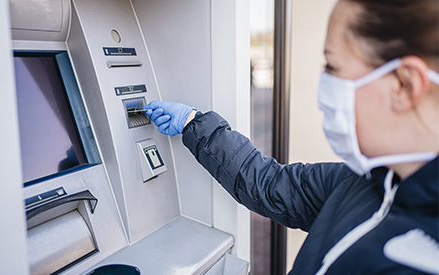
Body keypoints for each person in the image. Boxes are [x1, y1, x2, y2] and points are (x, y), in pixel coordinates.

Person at [143, 0, 439, 273]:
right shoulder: (369, 181)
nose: (325, 84)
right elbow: (271, 184)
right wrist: (193, 123)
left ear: (404, 84)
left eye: (333, 66)